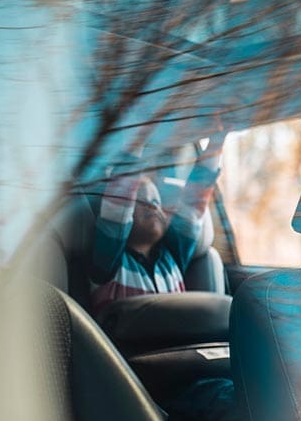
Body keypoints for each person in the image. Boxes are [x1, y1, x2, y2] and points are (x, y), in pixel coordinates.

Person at [89, 133, 225, 315]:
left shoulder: (174, 256)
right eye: (140, 200)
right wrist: (139, 134)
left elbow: (193, 203)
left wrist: (217, 140)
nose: (152, 205)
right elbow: (118, 203)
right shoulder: (108, 262)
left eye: (156, 201)